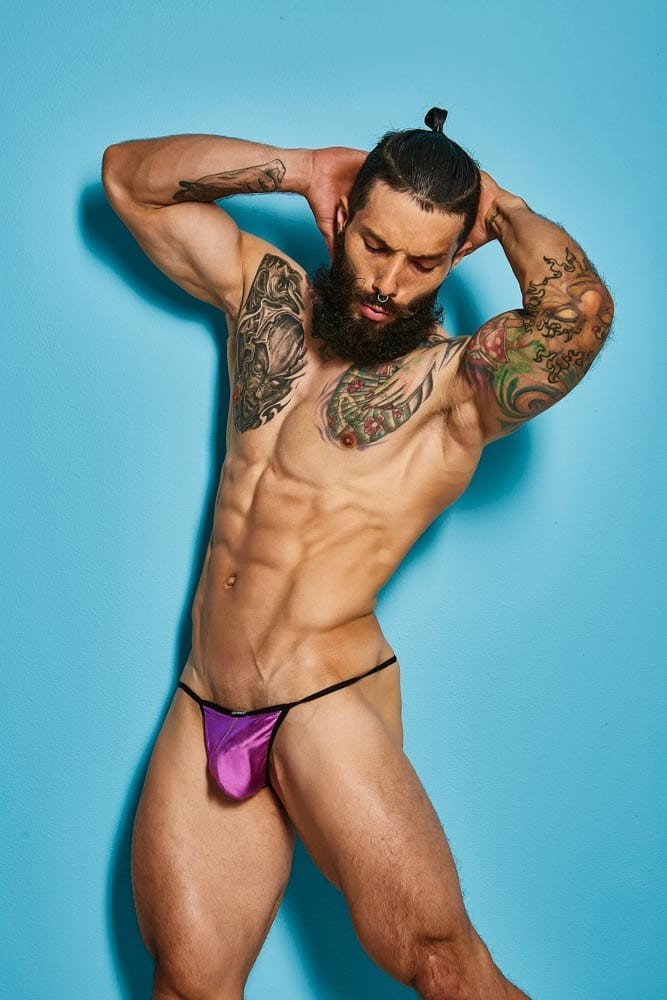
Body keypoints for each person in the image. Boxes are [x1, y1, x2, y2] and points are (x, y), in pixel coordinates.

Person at [102, 106, 613, 1000]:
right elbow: (127, 178)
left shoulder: (455, 387)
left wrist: (502, 205)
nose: (388, 281)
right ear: (343, 217)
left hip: (320, 699)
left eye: (423, 263)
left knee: (442, 965)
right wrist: (301, 166)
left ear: (453, 260)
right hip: (206, 692)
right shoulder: (266, 299)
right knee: (186, 985)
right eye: (376, 245)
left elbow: (578, 315)